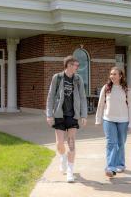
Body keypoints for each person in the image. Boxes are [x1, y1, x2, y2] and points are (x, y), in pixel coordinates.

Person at [46, 55, 88, 183]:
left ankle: (70, 171)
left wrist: (83, 115)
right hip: (59, 115)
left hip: (72, 116)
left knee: (71, 143)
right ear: (69, 65)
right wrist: (49, 114)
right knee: (59, 144)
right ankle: (63, 157)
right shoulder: (57, 78)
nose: (77, 67)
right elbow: (51, 96)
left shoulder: (78, 79)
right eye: (76, 65)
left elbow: (82, 97)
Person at [95, 66, 131, 177]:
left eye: (115, 74)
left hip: (123, 120)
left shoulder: (127, 90)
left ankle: (120, 164)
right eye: (111, 74)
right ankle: (110, 168)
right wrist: (98, 119)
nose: (112, 76)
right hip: (108, 119)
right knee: (111, 143)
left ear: (120, 76)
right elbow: (101, 104)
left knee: (120, 143)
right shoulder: (106, 88)